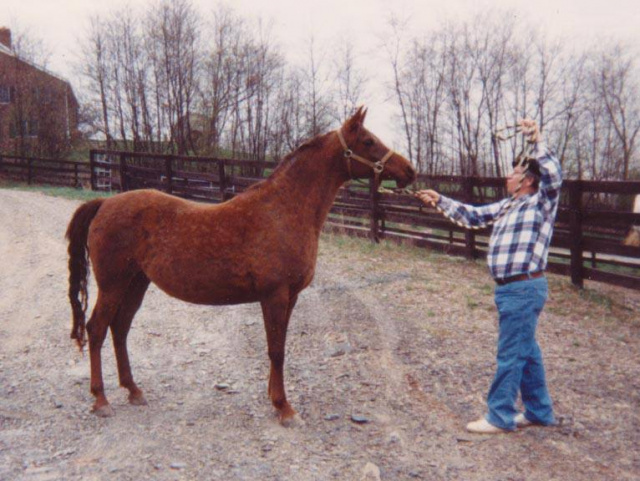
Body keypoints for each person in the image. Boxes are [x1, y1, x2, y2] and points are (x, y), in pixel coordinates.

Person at [416, 119, 562, 434]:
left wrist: (537, 142)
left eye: (513, 173)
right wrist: (440, 200)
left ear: (527, 180)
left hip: (523, 288)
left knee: (510, 353)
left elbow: (553, 175)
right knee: (527, 350)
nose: (507, 177)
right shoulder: (508, 206)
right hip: (511, 291)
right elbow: (473, 214)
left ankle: (500, 416)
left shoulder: (542, 204)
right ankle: (539, 410)